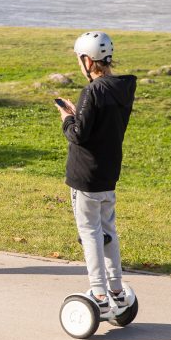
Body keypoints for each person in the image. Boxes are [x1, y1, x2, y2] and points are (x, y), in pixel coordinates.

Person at [55, 32, 136, 313]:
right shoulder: (123, 88)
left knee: (90, 232)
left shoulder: (93, 90)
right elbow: (98, 124)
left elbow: (78, 134)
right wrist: (81, 114)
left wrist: (68, 118)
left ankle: (99, 295)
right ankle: (117, 290)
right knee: (108, 230)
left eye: (80, 60)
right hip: (109, 173)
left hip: (86, 176)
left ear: (88, 60)